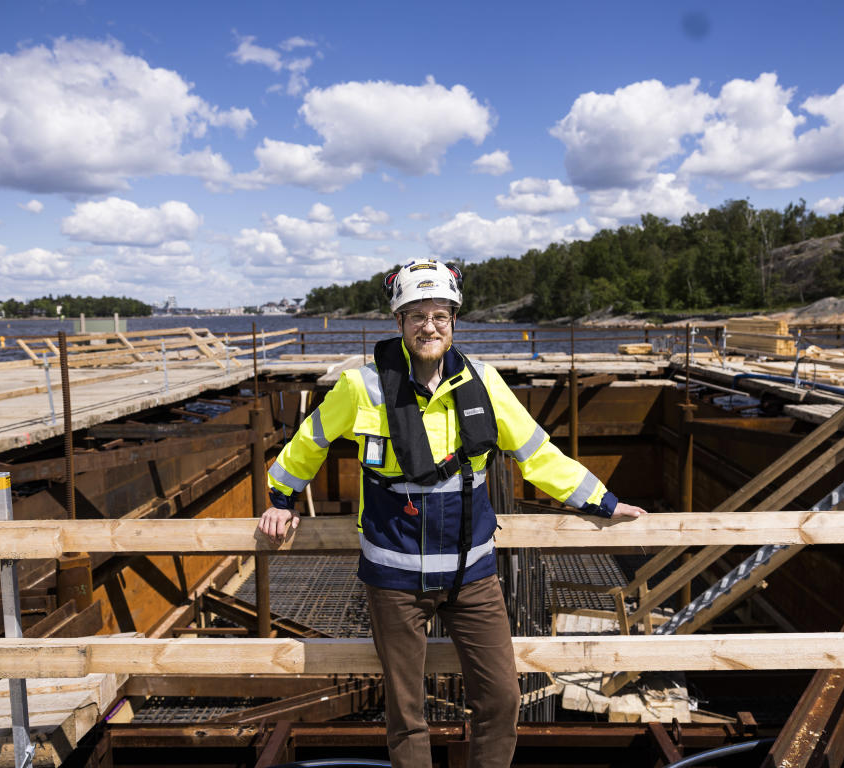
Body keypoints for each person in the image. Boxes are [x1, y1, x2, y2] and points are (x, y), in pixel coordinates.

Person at [258, 258, 647, 768]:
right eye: (417, 315)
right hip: (393, 580)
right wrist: (281, 501)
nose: (429, 326)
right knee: (405, 712)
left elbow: (536, 452)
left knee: (502, 700)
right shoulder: (363, 386)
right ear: (398, 322)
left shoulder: (484, 384)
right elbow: (310, 439)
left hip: (472, 578)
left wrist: (602, 499)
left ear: (454, 322)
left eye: (439, 315)